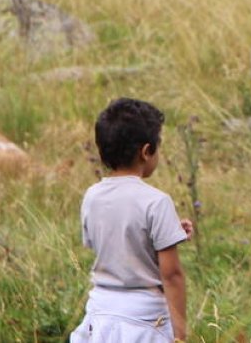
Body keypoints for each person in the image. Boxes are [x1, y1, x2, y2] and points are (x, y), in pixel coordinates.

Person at [71, 98, 193, 342]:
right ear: (146, 152)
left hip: (100, 316)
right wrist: (180, 335)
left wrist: (169, 230)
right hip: (145, 321)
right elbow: (171, 276)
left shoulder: (92, 196)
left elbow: (112, 243)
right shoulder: (156, 202)